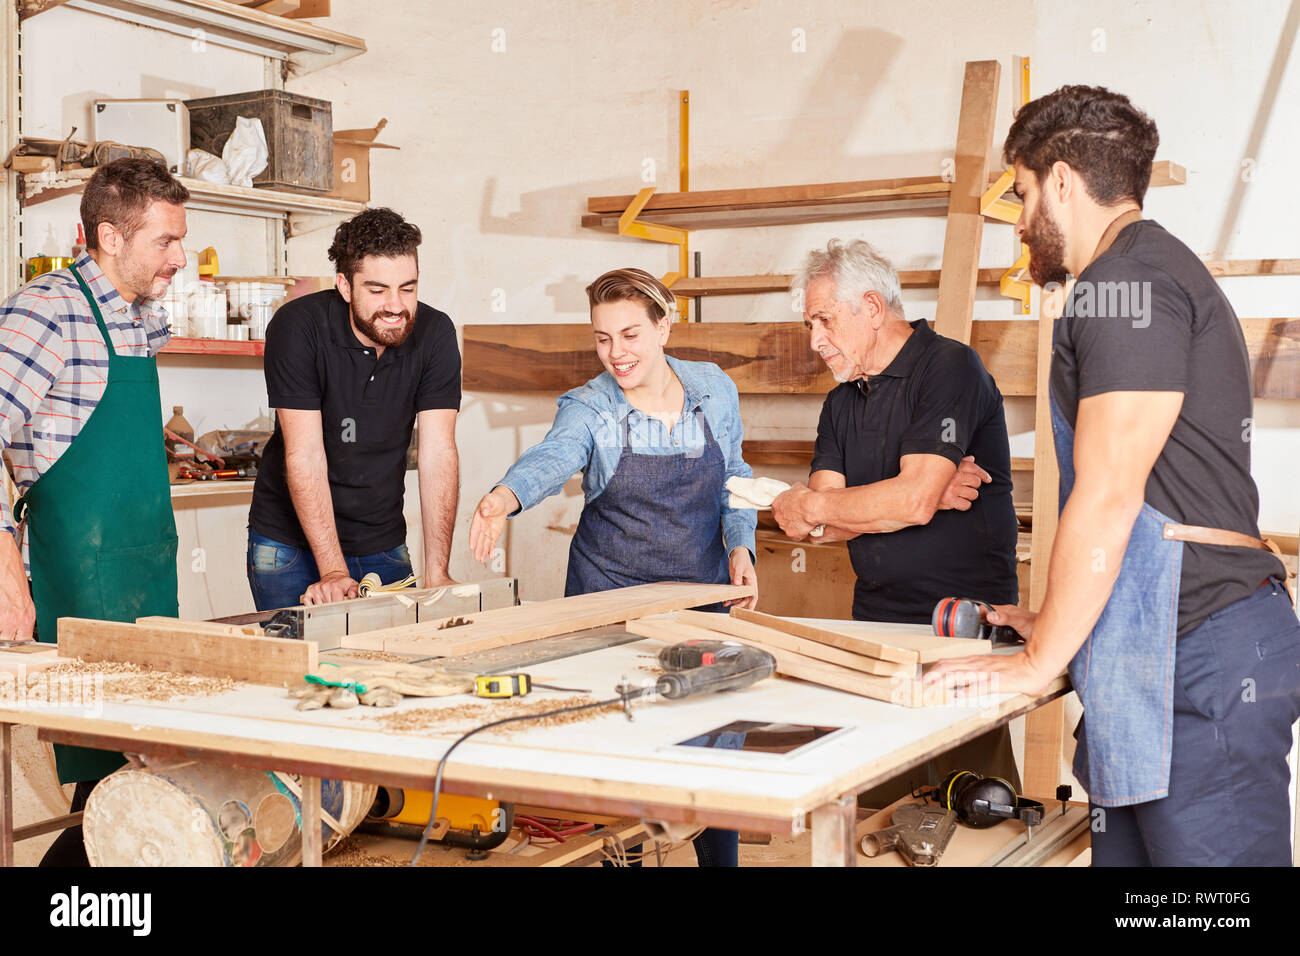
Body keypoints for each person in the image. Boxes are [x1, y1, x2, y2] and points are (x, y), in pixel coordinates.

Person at [926, 85, 1300, 866]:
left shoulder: (1126, 288)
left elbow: (1109, 491)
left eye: (1024, 194)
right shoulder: (1140, 277)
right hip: (1154, 645)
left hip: (1198, 648)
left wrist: (1037, 663)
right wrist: (1061, 617)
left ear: (1062, 180)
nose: (1022, 221)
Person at [469, 268, 756, 866]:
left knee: (712, 746)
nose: (616, 353)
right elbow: (555, 456)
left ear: (664, 325)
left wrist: (741, 548)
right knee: (619, 745)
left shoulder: (712, 389)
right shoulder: (592, 407)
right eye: (603, 338)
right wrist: (503, 497)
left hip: (698, 596)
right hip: (608, 601)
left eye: (629, 335)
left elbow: (735, 477)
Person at [770, 238, 1022, 800]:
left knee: (976, 804)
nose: (816, 341)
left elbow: (840, 507)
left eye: (824, 320)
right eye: (811, 324)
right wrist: (912, 494)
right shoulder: (842, 402)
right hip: (876, 620)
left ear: (873, 308)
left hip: (963, 622)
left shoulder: (950, 367)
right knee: (878, 800)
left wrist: (892, 498)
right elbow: (822, 528)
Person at [0, 158, 189, 864]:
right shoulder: (46, 312)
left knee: (141, 778)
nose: (180, 258)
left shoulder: (139, 317)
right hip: (77, 578)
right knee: (110, 788)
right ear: (109, 236)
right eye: (164, 242)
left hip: (143, 576)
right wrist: (7, 575)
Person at [247, 208, 462, 610]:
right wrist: (332, 570)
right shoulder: (298, 327)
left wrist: (437, 571)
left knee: (393, 661)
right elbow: (305, 454)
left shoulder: (435, 333)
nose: (396, 306)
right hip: (287, 544)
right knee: (295, 665)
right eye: (377, 290)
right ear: (344, 286)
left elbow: (438, 452)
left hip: (381, 539)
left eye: (408, 288)